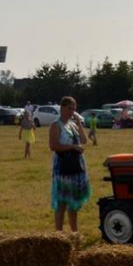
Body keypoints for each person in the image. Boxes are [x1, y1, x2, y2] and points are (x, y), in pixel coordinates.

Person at [48, 96, 91, 232]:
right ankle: (59, 233)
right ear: (62, 108)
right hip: (63, 166)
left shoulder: (72, 125)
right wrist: (72, 147)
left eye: (74, 109)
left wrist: (79, 123)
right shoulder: (56, 125)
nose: (72, 111)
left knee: (74, 203)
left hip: (76, 166)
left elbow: (84, 140)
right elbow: (53, 145)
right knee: (62, 202)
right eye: (69, 108)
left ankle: (74, 232)